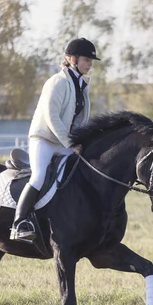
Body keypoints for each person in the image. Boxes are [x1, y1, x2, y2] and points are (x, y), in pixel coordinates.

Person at [10, 38, 100, 243]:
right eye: (87, 59)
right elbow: (52, 117)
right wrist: (70, 143)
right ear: (72, 59)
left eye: (90, 60)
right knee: (39, 177)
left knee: (81, 172)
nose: (90, 64)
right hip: (43, 139)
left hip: (64, 142)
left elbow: (80, 121)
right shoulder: (57, 82)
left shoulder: (82, 86)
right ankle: (19, 222)